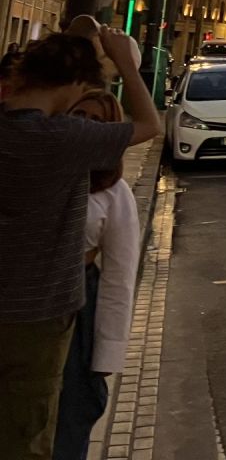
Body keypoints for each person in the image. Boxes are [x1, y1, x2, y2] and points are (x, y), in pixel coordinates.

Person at [0, 29, 157, 458]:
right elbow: (149, 125)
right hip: (38, 316)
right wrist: (127, 63)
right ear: (73, 86)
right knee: (28, 434)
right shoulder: (63, 138)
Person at [53, 91, 138, 460]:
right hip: (25, 297)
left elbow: (119, 278)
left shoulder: (114, 193)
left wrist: (107, 356)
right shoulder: (38, 170)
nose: (87, 126)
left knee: (70, 416)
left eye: (99, 123)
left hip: (79, 304)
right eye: (79, 115)